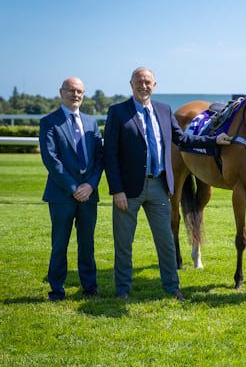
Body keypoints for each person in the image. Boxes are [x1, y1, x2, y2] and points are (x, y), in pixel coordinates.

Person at [104, 67, 231, 301]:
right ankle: (122, 290)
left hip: (160, 187)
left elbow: (182, 139)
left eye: (148, 82)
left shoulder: (163, 110)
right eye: (139, 82)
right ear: (131, 84)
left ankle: (172, 288)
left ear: (155, 85)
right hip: (128, 190)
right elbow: (109, 154)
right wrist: (117, 190)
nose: (143, 86)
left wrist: (213, 141)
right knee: (123, 243)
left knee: (166, 242)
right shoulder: (118, 112)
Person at [39, 77, 103, 301]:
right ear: (61, 92)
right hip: (61, 194)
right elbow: (51, 159)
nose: (75, 95)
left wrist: (90, 185)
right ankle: (56, 289)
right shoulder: (49, 122)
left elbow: (99, 158)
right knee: (59, 244)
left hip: (89, 194)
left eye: (80, 92)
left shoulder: (91, 122)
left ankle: (90, 287)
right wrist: (74, 187)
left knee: (87, 244)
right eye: (71, 91)